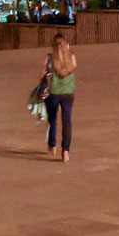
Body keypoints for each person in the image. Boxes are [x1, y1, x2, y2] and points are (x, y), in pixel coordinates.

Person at [45, 34, 77, 163]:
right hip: (68, 93)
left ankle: (52, 145)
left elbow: (42, 74)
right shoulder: (72, 57)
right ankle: (66, 151)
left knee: (52, 119)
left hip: (53, 92)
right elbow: (73, 68)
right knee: (67, 121)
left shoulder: (50, 58)